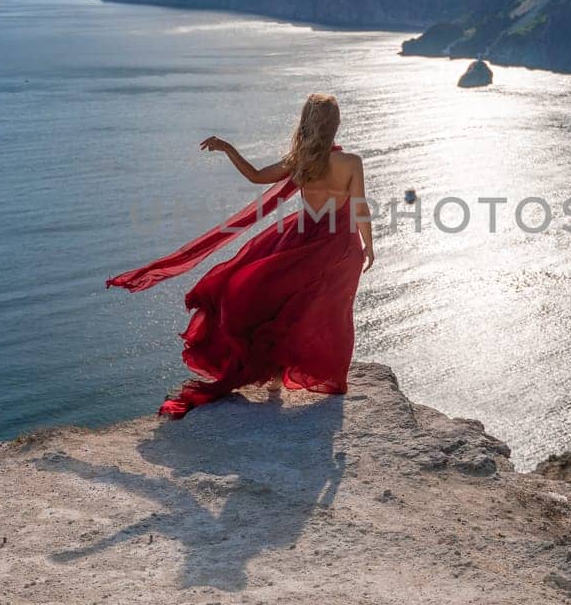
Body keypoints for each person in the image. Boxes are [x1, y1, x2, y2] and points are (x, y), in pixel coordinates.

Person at [107, 93, 374, 419]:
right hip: (338, 246)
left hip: (301, 237)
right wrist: (369, 246)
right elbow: (360, 208)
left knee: (281, 303)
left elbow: (255, 176)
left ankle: (276, 377)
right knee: (331, 311)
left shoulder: (301, 161)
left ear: (307, 123)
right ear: (335, 125)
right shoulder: (350, 163)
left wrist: (228, 148)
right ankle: (328, 378)